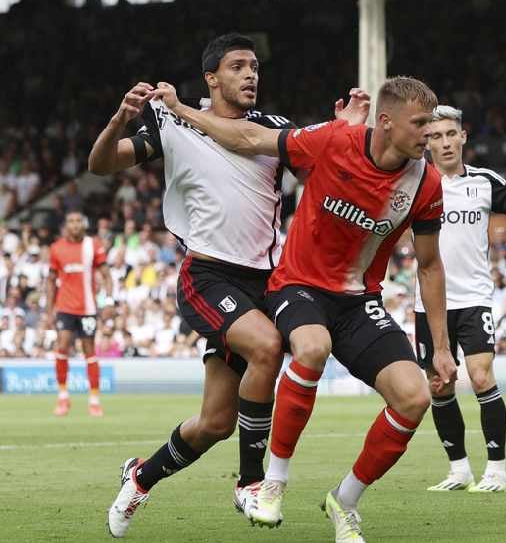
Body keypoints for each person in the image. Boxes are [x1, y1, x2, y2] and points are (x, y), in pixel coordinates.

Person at [154, 75, 457, 542]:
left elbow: (431, 265)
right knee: (312, 347)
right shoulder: (333, 140)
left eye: (433, 125)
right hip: (298, 286)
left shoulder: (427, 182)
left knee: (414, 396)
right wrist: (182, 110)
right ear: (385, 122)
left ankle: (345, 500)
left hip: (358, 302)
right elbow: (251, 137)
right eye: (420, 123)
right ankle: (273, 481)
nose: (429, 134)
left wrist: (439, 347)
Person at [94, 33, 370, 536]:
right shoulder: (171, 118)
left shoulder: (272, 129)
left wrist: (342, 130)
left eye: (256, 68)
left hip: (265, 281)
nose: (251, 76)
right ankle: (250, 482)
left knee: (215, 423)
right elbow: (102, 164)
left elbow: (326, 161)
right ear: (211, 78)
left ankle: (140, 476)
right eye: (239, 66)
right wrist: (119, 120)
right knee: (268, 346)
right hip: (208, 274)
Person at [420, 105, 506, 493]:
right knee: (439, 386)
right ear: (426, 142)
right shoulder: (414, 184)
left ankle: (497, 470)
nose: (444, 142)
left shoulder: (485, 182)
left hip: (474, 298)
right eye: (435, 136)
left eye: (449, 134)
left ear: (463, 137)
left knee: (480, 377)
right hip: (429, 304)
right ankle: (459, 469)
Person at [45, 210, 114, 417]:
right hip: (65, 307)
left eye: (78, 221)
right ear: (66, 225)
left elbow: (107, 276)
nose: (75, 225)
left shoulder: (92, 245)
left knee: (89, 351)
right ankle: (63, 398)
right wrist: (49, 310)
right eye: (71, 221)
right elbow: (50, 280)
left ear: (83, 225)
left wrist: (108, 301)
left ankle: (94, 401)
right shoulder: (56, 248)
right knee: (62, 347)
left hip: (88, 308)